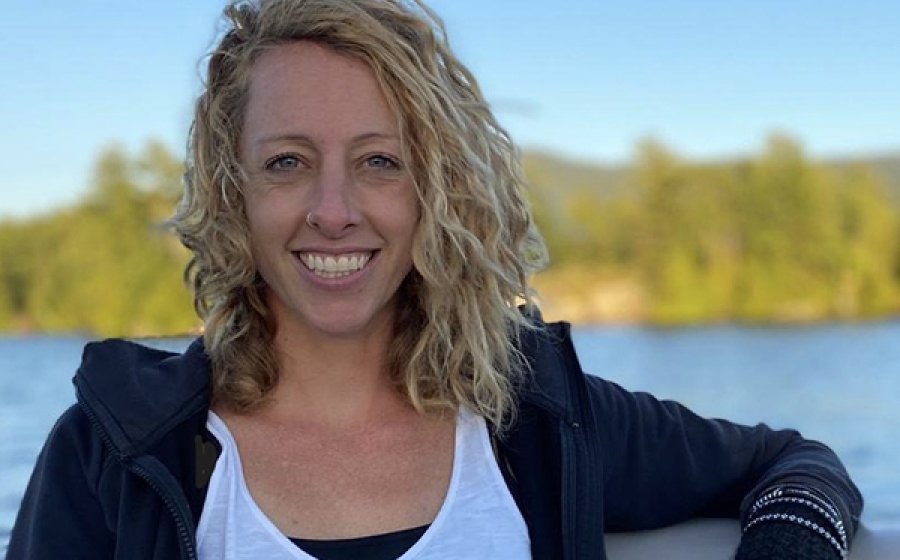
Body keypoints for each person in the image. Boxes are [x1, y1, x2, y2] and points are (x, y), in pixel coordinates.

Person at [7, 0, 863, 559]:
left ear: (436, 192)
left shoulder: (538, 418)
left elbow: (791, 461)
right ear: (235, 194)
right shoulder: (113, 453)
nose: (333, 210)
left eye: (381, 161)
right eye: (287, 162)